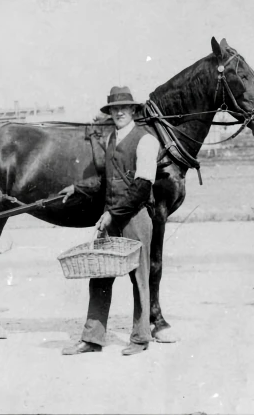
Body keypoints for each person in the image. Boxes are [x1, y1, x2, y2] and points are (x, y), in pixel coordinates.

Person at [56, 86, 159, 356]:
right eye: (115, 108)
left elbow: (141, 187)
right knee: (100, 276)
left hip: (135, 217)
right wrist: (78, 188)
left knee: (140, 278)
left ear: (134, 110)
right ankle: (92, 339)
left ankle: (140, 338)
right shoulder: (111, 138)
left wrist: (114, 213)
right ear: (110, 112)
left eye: (124, 107)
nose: (120, 112)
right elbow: (105, 181)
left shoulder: (146, 140)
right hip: (111, 216)